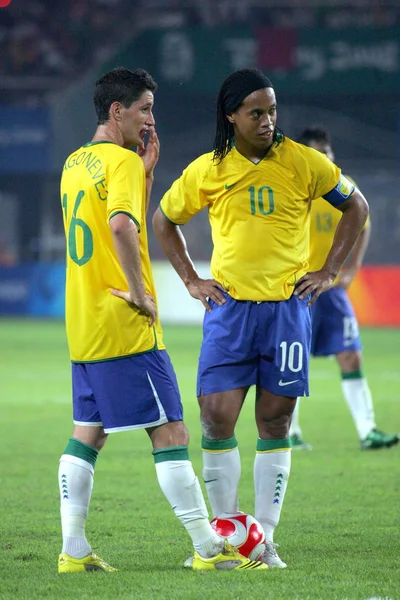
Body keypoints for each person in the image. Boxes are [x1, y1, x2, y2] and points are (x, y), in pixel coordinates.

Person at [152, 68, 369, 568]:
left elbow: (355, 206)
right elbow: (163, 220)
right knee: (216, 416)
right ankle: (228, 534)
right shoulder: (209, 168)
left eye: (272, 110)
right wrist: (191, 280)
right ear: (231, 117)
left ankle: (263, 539)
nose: (268, 121)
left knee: (276, 420)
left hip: (287, 312)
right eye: (256, 112)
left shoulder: (304, 162)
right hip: (230, 312)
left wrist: (329, 269)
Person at [58, 67, 267, 574]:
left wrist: (148, 173)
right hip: (124, 323)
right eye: (145, 108)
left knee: (87, 433)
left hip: (83, 321)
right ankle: (209, 548)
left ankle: (74, 551)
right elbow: (123, 223)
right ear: (117, 111)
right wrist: (138, 290)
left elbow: (115, 214)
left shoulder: (76, 161)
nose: (151, 119)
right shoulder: (119, 162)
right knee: (170, 434)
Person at [289, 126, 399, 451]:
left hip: (332, 289)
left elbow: (364, 223)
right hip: (297, 291)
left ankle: (368, 432)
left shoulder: (342, 187)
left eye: (329, 152)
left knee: (351, 356)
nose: (327, 158)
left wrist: (352, 267)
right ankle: (290, 433)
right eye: (319, 153)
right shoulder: (291, 189)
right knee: (293, 360)